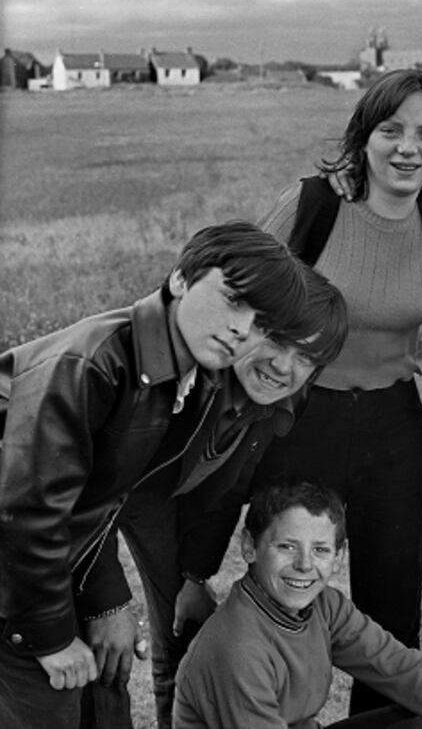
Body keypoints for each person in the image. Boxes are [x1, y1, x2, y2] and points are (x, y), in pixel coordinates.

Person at [0, 220, 308, 729]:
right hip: (18, 582)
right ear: (181, 279)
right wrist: (48, 637)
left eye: (260, 323)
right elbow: (25, 510)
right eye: (233, 300)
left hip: (48, 573)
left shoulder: (185, 377)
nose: (241, 329)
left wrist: (103, 602)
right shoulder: (95, 363)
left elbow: (99, 502)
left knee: (105, 700)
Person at [259, 67, 422, 714]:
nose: (408, 147)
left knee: (392, 617)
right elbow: (235, 284)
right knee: (285, 598)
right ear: (365, 137)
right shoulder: (314, 205)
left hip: (394, 428)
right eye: (391, 130)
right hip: (302, 421)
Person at [118, 265, 348, 729]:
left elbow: (226, 487)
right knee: (168, 635)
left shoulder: (279, 394)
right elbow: (108, 489)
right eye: (277, 341)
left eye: (305, 357)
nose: (285, 365)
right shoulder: (199, 368)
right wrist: (123, 596)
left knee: (187, 620)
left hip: (190, 491)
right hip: (140, 492)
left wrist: (196, 574)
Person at [173, 479, 422, 729]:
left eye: (320, 550)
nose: (304, 565)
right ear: (250, 547)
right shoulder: (236, 648)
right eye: (286, 546)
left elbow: (400, 668)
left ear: (338, 556)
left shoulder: (325, 606)